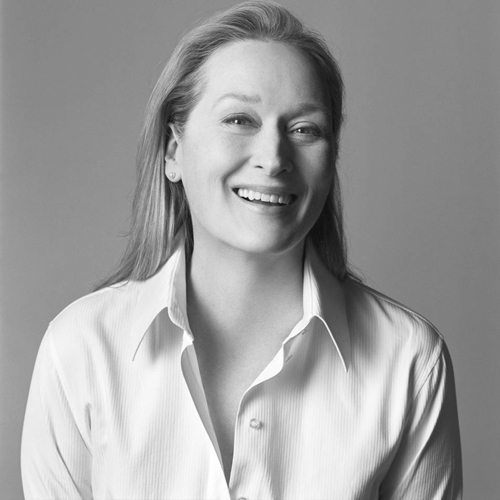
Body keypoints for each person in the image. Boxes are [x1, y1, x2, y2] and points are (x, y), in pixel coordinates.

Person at [21, 1, 462, 499]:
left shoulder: (410, 361)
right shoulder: (80, 350)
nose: (273, 159)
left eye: (305, 129)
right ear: (172, 151)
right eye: (238, 120)